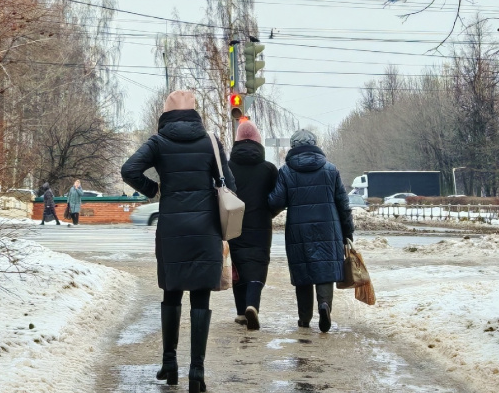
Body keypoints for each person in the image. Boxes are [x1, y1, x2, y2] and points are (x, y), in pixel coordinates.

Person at [122, 90, 234, 393]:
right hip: (205, 228)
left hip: (171, 228)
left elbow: (128, 170)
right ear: (194, 112)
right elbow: (231, 185)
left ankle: (169, 363)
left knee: (171, 292)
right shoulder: (210, 141)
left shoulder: (158, 142)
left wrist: (154, 189)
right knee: (201, 295)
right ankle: (196, 370)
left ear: (166, 113)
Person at [268, 129, 353, 334]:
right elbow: (343, 203)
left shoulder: (286, 171)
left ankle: (304, 318)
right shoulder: (330, 170)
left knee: (303, 272)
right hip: (328, 228)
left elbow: (276, 202)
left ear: (293, 147)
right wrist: (348, 231)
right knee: (324, 271)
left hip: (299, 230)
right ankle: (324, 306)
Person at [227, 120, 278, 331]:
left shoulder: (226, 168)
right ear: (258, 142)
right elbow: (277, 198)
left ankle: (240, 313)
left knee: (237, 266)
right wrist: (268, 213)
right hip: (260, 225)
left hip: (233, 224)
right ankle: (252, 305)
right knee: (257, 266)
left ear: (237, 141)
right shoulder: (269, 169)